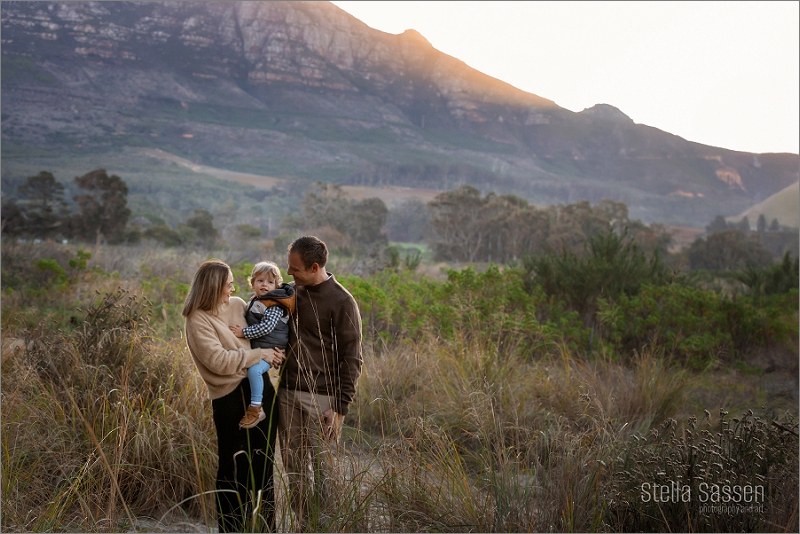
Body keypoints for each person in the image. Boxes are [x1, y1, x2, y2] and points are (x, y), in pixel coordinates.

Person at [182, 259, 284, 533]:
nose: (232, 288)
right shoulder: (197, 319)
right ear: (214, 287)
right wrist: (258, 355)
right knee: (233, 467)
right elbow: (217, 360)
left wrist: (274, 353)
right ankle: (232, 529)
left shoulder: (239, 305)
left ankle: (265, 528)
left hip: (260, 389)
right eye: (228, 285)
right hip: (228, 398)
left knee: (263, 465)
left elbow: (266, 332)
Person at [278, 236, 363, 530]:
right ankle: (303, 525)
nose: (289, 274)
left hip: (324, 400)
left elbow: (353, 358)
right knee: (294, 470)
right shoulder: (290, 292)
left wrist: (340, 409)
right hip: (287, 394)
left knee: (325, 472)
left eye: (295, 269)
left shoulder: (342, 301)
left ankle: (325, 526)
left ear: (315, 267)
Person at [230, 261, 296, 429]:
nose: (264, 285)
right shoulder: (256, 300)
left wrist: (243, 333)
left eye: (270, 282)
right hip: (260, 347)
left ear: (276, 285)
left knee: (255, 370)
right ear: (252, 283)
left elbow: (266, 328)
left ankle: (256, 407)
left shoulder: (274, 305)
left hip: (272, 348)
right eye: (260, 281)